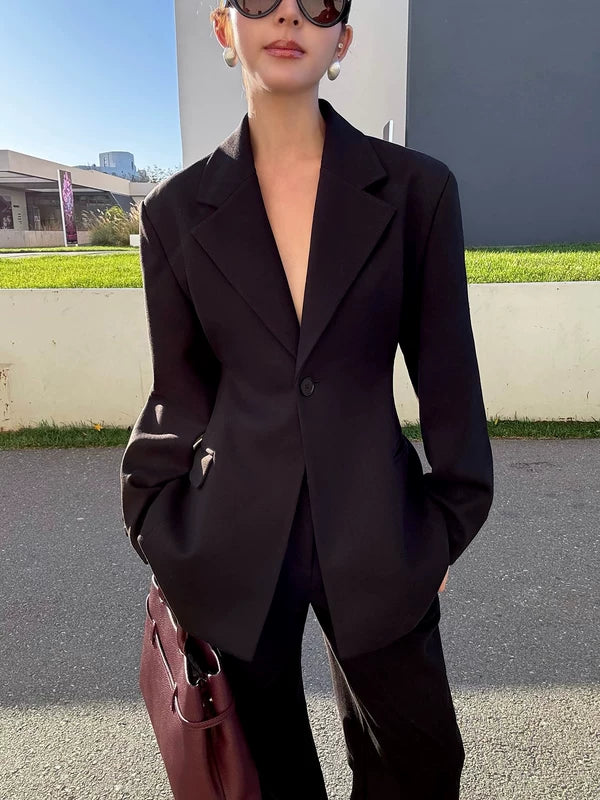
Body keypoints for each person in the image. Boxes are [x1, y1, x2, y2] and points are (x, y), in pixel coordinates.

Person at [120, 0, 494, 797]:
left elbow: (450, 381)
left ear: (342, 38)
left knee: (421, 763)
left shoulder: (418, 191)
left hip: (379, 525)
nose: (289, 14)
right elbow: (178, 393)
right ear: (224, 27)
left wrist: (444, 528)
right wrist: (157, 523)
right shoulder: (173, 214)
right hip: (232, 537)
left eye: (319, 4)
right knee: (264, 775)